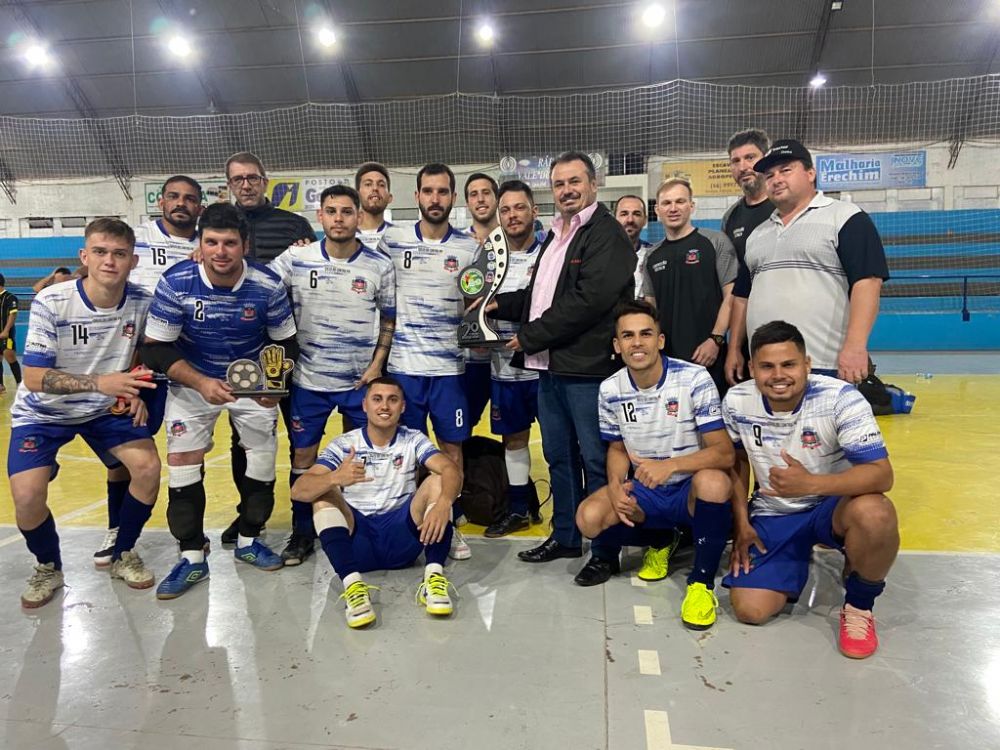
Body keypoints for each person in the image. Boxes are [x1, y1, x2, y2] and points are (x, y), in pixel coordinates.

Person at [488, 151, 635, 585]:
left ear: (593, 184)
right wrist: (498, 305)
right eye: (559, 184)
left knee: (596, 460)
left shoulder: (605, 233)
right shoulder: (556, 234)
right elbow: (542, 296)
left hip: (587, 369)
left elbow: (589, 301)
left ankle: (604, 550)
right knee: (558, 456)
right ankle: (567, 535)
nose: (567, 190)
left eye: (575, 181)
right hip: (551, 368)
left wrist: (531, 336)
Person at [140, 203, 299, 600]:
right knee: (182, 464)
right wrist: (200, 381)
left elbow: (286, 342)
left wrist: (273, 384)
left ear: (245, 245)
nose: (220, 252)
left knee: (262, 461)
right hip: (192, 383)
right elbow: (155, 348)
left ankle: (249, 540)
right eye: (211, 242)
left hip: (252, 383)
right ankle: (192, 556)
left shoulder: (267, 284)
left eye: (230, 243)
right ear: (200, 243)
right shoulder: (176, 281)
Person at [721, 320, 898, 659]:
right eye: (767, 366)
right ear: (753, 369)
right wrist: (741, 522)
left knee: (875, 513)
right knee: (750, 610)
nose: (778, 375)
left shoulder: (840, 398)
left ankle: (859, 606)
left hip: (832, 508)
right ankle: (795, 557)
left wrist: (811, 484)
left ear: (807, 364)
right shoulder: (737, 401)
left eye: (788, 364)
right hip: (774, 512)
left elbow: (881, 475)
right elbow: (737, 462)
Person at [9, 218, 162, 608]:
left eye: (119, 253)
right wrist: (101, 382)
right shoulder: (53, 301)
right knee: (26, 496)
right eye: (100, 251)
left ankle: (123, 552)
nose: (109, 261)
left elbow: (147, 353)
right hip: (44, 413)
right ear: (85, 256)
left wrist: (138, 386)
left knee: (147, 468)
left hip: (104, 409)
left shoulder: (143, 303)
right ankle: (48, 565)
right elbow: (34, 377)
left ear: (133, 261)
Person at [574, 301, 734, 627]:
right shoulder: (610, 389)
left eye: (645, 334)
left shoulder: (693, 378)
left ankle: (701, 583)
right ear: (617, 345)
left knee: (715, 483)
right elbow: (617, 448)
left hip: (688, 488)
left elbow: (724, 453)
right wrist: (616, 487)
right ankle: (662, 539)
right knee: (588, 519)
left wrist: (671, 465)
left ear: (660, 340)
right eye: (628, 336)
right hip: (647, 489)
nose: (637, 343)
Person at [269, 185, 396, 565]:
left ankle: (356, 526)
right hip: (309, 381)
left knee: (360, 457)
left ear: (359, 216)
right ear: (320, 216)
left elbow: (389, 320)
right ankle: (302, 532)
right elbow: (255, 281)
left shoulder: (379, 265)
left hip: (360, 383)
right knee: (303, 455)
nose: (339, 218)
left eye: (346, 211)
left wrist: (376, 365)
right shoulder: (297, 258)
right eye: (331, 211)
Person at [91, 175, 204, 569]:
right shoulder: (134, 240)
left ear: (199, 206)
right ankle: (116, 531)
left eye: (189, 198)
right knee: (123, 457)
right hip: (137, 365)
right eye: (174, 196)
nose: (181, 203)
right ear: (161, 201)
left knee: (188, 452)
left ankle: (190, 531)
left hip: (186, 367)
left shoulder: (208, 245)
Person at [291, 377, 462, 628]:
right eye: (377, 399)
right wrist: (334, 477)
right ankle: (353, 587)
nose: (384, 406)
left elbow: (450, 469)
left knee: (438, 481)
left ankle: (434, 579)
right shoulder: (345, 444)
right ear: (365, 405)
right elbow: (298, 490)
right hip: (358, 542)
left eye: (393, 400)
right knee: (322, 494)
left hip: (403, 538)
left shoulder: (413, 439)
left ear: (402, 406)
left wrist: (445, 502)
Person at [378, 163, 480, 560]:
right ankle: (408, 523)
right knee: (407, 454)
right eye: (428, 191)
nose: (435, 199)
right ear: (417, 196)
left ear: (452, 197)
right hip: (404, 369)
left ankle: (447, 524)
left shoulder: (470, 248)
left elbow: (477, 303)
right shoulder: (392, 240)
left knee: (451, 452)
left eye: (442, 191)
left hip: (450, 370)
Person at [726, 139, 889, 385]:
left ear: (811, 173)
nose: (776, 179)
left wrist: (856, 346)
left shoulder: (846, 217)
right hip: (767, 369)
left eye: (786, 170)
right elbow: (742, 297)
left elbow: (868, 282)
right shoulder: (757, 235)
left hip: (826, 364)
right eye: (769, 175)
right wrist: (734, 350)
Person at [221, 152, 316, 545]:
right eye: (238, 179)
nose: (246, 185)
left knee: (300, 438)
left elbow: (312, 274)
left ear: (264, 181)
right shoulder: (218, 224)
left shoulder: (294, 225)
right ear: (229, 184)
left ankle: (303, 521)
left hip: (287, 349)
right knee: (244, 439)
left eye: (252, 178)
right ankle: (249, 516)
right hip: (242, 351)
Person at [481, 180, 542, 538]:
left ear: (534, 211)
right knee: (514, 440)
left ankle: (572, 511)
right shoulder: (488, 258)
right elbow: (474, 303)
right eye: (505, 209)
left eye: (519, 207)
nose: (512, 215)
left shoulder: (549, 253)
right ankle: (519, 508)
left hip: (547, 368)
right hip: (503, 368)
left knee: (561, 444)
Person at [641, 178, 737, 395]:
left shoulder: (715, 242)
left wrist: (715, 339)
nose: (673, 208)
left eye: (680, 201)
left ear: (691, 206)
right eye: (666, 203)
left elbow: (731, 296)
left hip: (708, 355)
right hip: (668, 360)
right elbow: (651, 309)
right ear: (657, 210)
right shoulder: (651, 256)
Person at [721, 128, 773, 383]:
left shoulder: (784, 206)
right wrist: (734, 346)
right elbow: (735, 285)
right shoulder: (731, 217)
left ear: (766, 159)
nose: (743, 167)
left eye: (750, 158)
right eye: (736, 161)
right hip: (746, 332)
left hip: (789, 326)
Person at [461, 172, 500, 430]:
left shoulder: (513, 240)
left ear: (496, 198)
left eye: (486, 192)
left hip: (508, 356)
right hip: (470, 359)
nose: (481, 199)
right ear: (467, 203)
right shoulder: (458, 244)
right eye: (474, 194)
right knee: (462, 427)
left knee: (513, 429)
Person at [614, 195, 653, 299]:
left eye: (636, 214)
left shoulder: (653, 254)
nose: (630, 220)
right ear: (614, 219)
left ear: (645, 220)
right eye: (624, 214)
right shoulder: (600, 254)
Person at [355, 162, 394, 247]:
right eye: (368, 184)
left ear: (389, 197)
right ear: (357, 195)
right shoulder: (343, 236)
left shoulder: (400, 236)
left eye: (381, 185)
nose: (375, 188)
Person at [0, 273, 22, 393]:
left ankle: (19, 383)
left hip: (6, 335)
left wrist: (6, 331)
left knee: (9, 355)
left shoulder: (10, 297)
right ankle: (0, 385)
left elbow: (12, 314)